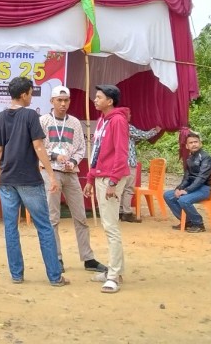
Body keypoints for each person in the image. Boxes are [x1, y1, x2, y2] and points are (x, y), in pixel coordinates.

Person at [0, 77, 68, 287]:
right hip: (28, 179)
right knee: (44, 226)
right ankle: (54, 276)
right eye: (30, 93)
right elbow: (39, 147)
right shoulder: (30, 115)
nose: (31, 96)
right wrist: (52, 175)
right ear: (24, 94)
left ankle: (17, 275)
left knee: (10, 228)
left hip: (7, 179)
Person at [39, 86, 107, 274]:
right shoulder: (43, 121)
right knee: (53, 218)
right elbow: (38, 147)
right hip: (50, 172)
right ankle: (56, 258)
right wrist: (54, 157)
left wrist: (74, 161)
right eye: (59, 100)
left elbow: (80, 148)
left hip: (71, 172)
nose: (63, 104)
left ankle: (88, 258)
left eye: (66, 100)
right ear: (51, 101)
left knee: (81, 217)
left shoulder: (75, 123)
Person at [83, 84, 130, 294]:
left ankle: (113, 276)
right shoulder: (103, 120)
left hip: (111, 178)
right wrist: (90, 177)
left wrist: (112, 181)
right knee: (107, 225)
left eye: (99, 97)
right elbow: (97, 151)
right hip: (101, 176)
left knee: (111, 227)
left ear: (110, 101)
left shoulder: (118, 120)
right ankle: (113, 269)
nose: (95, 100)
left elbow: (121, 153)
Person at [163, 132, 211, 233]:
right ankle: (187, 222)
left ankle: (198, 223)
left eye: (196, 142)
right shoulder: (189, 158)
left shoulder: (205, 157)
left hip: (205, 188)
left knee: (184, 200)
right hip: (194, 187)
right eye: (191, 143)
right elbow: (187, 177)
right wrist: (179, 188)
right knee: (168, 195)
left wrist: (187, 190)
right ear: (187, 146)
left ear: (200, 143)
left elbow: (201, 178)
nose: (194, 144)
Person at [119, 118, 161, 223]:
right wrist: (155, 131)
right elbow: (143, 135)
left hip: (119, 163)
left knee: (120, 188)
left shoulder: (114, 126)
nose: (130, 116)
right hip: (128, 162)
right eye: (129, 114)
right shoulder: (127, 126)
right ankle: (127, 213)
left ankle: (119, 211)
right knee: (128, 188)